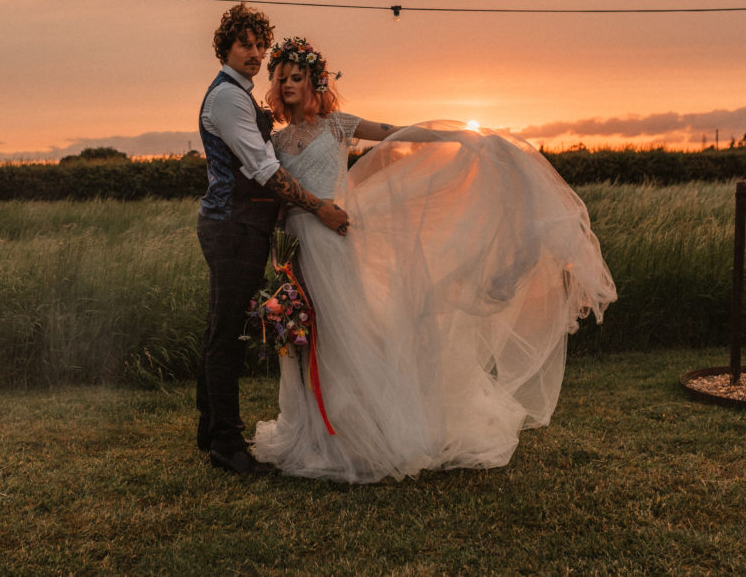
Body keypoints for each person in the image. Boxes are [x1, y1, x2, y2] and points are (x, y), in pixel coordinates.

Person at [250, 36, 617, 483]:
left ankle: (355, 432)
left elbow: (393, 133)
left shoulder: (338, 125)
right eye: (280, 77)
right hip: (295, 245)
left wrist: (458, 136)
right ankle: (311, 432)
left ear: (315, 81)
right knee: (305, 337)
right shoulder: (276, 138)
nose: (287, 83)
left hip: (335, 239)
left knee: (344, 335)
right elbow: (273, 188)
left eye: (296, 76)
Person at [196, 7, 350, 476]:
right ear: (226, 48)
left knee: (219, 327)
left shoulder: (241, 97)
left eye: (261, 46)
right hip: (232, 224)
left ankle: (210, 429)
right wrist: (319, 206)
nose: (256, 54)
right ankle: (226, 442)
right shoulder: (227, 99)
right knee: (227, 333)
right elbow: (263, 170)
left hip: (244, 225)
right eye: (246, 45)